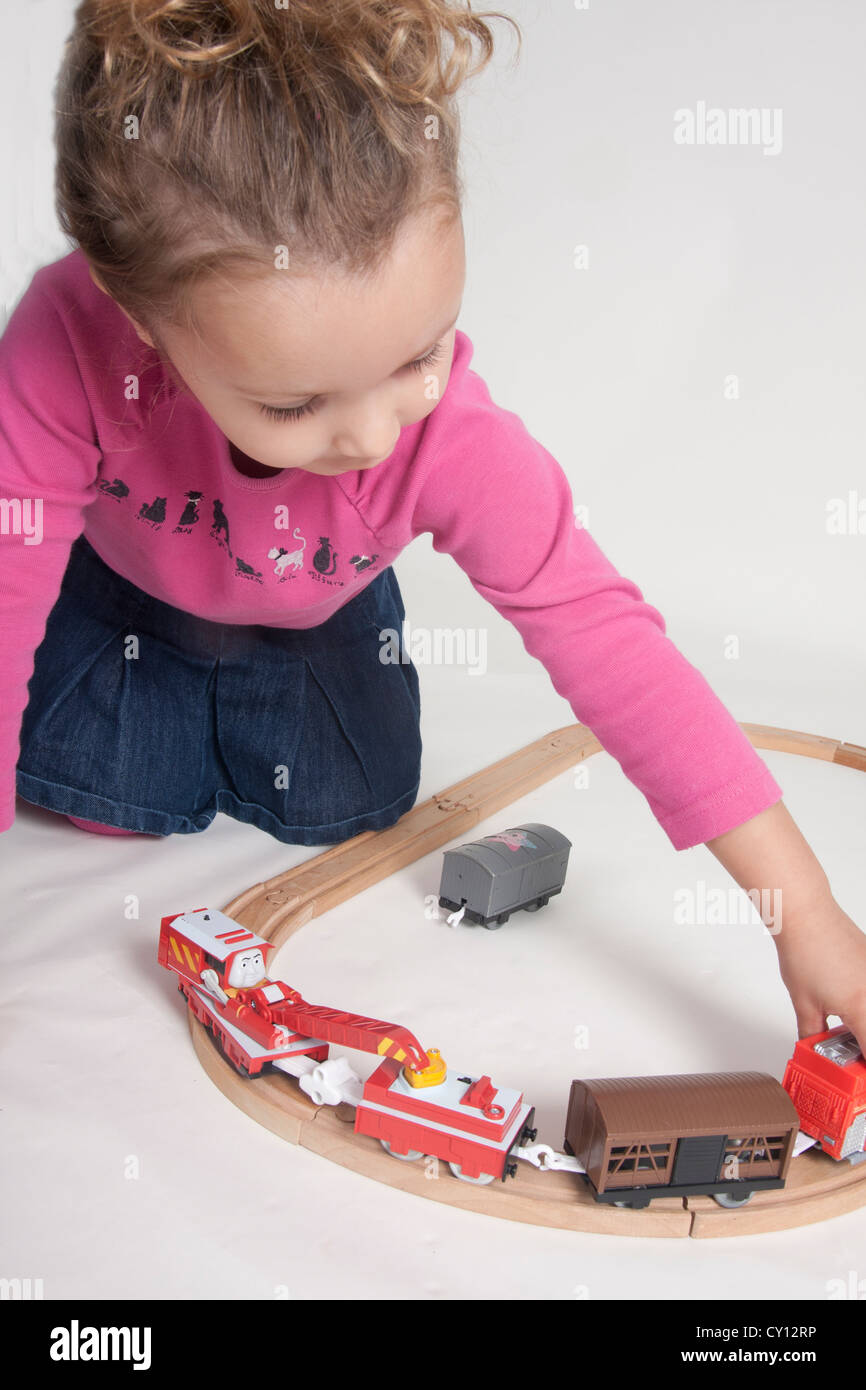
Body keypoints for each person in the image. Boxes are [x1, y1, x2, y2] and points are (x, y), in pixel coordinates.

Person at [1, 0, 864, 1055]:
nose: (371, 434)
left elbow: (602, 633)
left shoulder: (445, 434)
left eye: (420, 354)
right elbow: (6, 591)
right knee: (103, 791)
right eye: (292, 405)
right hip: (127, 600)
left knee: (350, 800)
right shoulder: (63, 342)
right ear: (140, 317)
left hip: (316, 619)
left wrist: (805, 909)